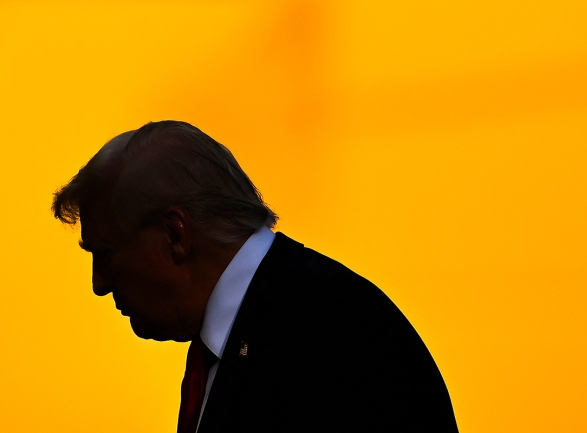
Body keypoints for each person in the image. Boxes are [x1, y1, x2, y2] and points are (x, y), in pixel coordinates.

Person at [52, 120, 459, 432]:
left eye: (105, 253)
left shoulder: (333, 335)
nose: (99, 284)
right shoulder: (286, 321)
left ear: (175, 234)